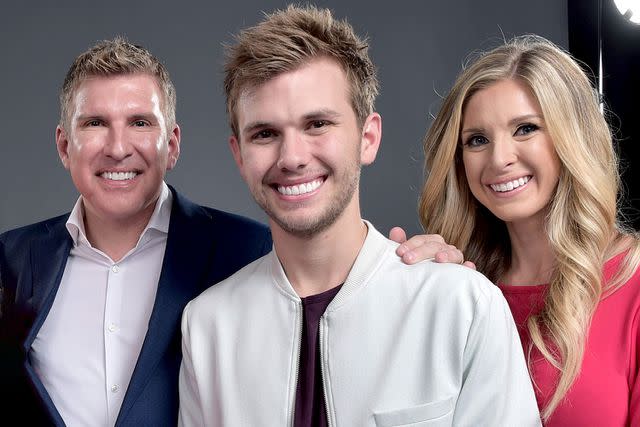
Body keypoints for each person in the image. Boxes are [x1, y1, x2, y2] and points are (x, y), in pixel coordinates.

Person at [0, 37, 455, 426]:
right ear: (65, 145)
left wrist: (407, 275)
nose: (118, 148)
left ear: (172, 144)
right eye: (95, 123)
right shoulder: (11, 260)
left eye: (140, 122)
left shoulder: (249, 248)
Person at [178, 5, 541, 426]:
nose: (292, 157)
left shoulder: (460, 306)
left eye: (317, 124)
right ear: (239, 155)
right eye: (265, 134)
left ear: (367, 138)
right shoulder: (207, 327)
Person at [418, 34, 640, 425]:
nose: (500, 158)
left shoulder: (632, 282)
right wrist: (408, 294)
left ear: (572, 138)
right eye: (477, 140)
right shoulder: (461, 285)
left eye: (525, 129)